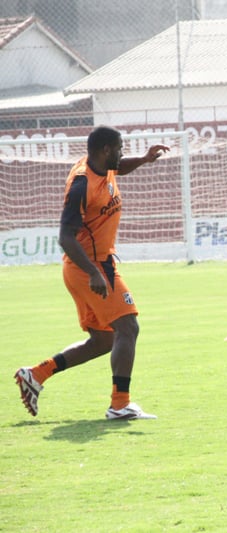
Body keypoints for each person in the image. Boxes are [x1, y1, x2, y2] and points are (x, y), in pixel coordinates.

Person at [14, 126, 169, 420]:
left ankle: (36, 374)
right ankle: (120, 405)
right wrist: (94, 273)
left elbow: (119, 168)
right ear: (106, 150)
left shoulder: (103, 166)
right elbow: (65, 237)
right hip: (91, 266)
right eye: (120, 148)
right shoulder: (81, 185)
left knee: (104, 340)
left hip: (88, 267)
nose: (122, 153)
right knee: (129, 327)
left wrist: (145, 160)